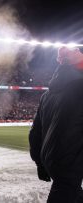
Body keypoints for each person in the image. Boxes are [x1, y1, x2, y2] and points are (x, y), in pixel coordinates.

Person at [29, 47, 83, 203]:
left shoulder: (47, 94)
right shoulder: (79, 88)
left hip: (53, 162)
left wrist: (40, 163)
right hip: (70, 166)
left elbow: (35, 134)